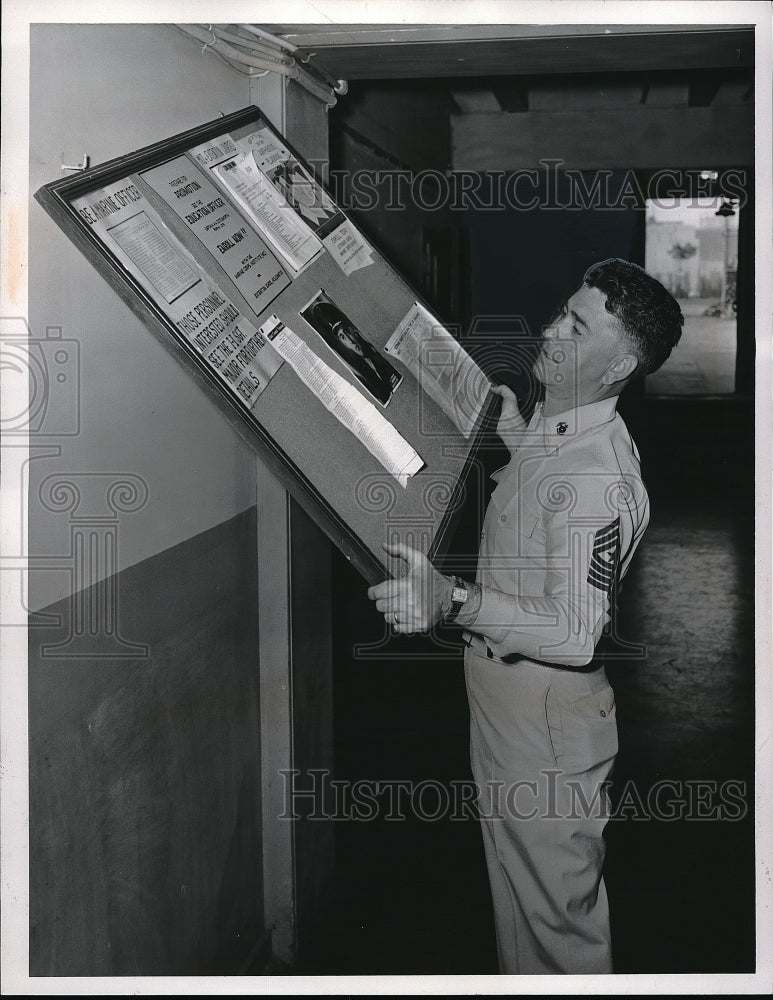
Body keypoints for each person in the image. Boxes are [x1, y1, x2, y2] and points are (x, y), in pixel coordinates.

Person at [367, 259, 684, 975]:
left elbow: (575, 633)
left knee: (554, 928)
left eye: (576, 326)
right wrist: (515, 433)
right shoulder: (564, 423)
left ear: (619, 364)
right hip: (508, 700)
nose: (550, 330)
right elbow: (547, 499)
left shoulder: (598, 477)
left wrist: (451, 601)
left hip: (542, 714)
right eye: (559, 312)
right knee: (520, 907)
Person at [306, 299, 402, 405]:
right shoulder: (362, 375)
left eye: (347, 332)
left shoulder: (381, 354)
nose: (350, 340)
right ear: (343, 343)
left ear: (353, 330)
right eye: (342, 337)